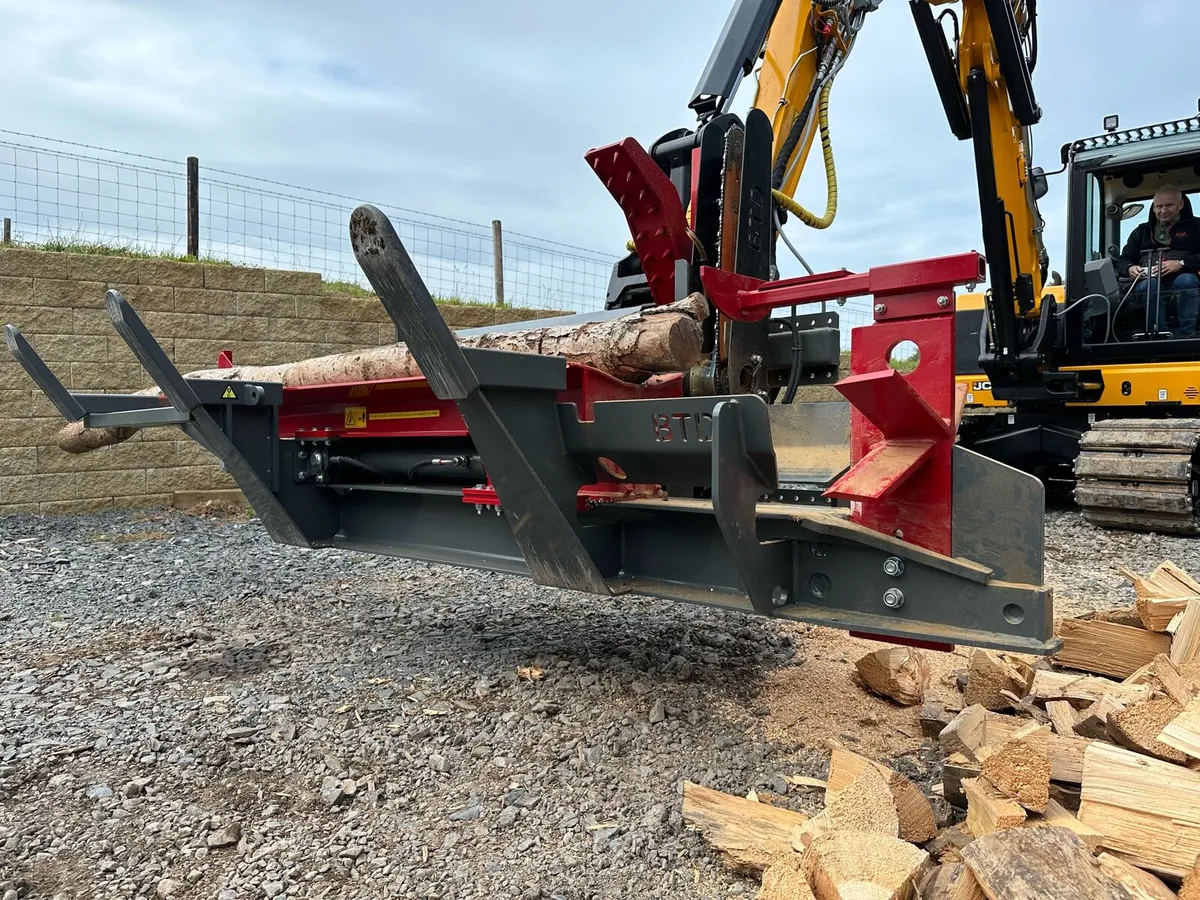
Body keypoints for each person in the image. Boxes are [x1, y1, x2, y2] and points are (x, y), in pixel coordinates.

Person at [1117, 185, 1200, 337]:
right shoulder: (1141, 231)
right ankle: (1158, 335)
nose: (1163, 211)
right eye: (1159, 206)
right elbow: (1123, 259)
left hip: (1183, 279)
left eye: (1169, 205)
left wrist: (1181, 263)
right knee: (1150, 285)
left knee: (1187, 281)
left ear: (1181, 204)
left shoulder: (1196, 227)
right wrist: (1130, 268)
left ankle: (1186, 335)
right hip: (1148, 281)